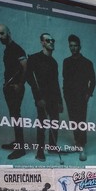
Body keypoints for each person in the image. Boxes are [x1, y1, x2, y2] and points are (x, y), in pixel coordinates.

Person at [25, 33, 63, 162]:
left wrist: (60, 101)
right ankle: (40, 151)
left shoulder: (54, 62)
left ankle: (52, 147)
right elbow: (30, 79)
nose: (51, 42)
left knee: (55, 122)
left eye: (52, 40)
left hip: (53, 97)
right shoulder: (34, 58)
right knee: (42, 123)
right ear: (42, 42)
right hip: (41, 97)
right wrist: (37, 98)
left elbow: (55, 82)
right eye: (48, 40)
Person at [0, 24, 27, 160]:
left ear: (9, 32)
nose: (0, 36)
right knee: (14, 116)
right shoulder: (7, 49)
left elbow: (26, 67)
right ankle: (18, 143)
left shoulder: (16, 48)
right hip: (8, 88)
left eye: (2, 33)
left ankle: (20, 149)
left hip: (15, 88)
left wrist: (20, 84)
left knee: (16, 116)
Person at [63, 34, 95, 161]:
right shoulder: (66, 62)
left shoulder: (87, 63)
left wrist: (88, 94)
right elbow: (65, 79)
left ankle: (82, 147)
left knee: (81, 121)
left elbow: (93, 81)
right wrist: (65, 93)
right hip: (69, 96)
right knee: (73, 120)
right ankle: (77, 142)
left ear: (79, 46)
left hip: (82, 97)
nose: (73, 48)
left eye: (75, 46)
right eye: (71, 46)